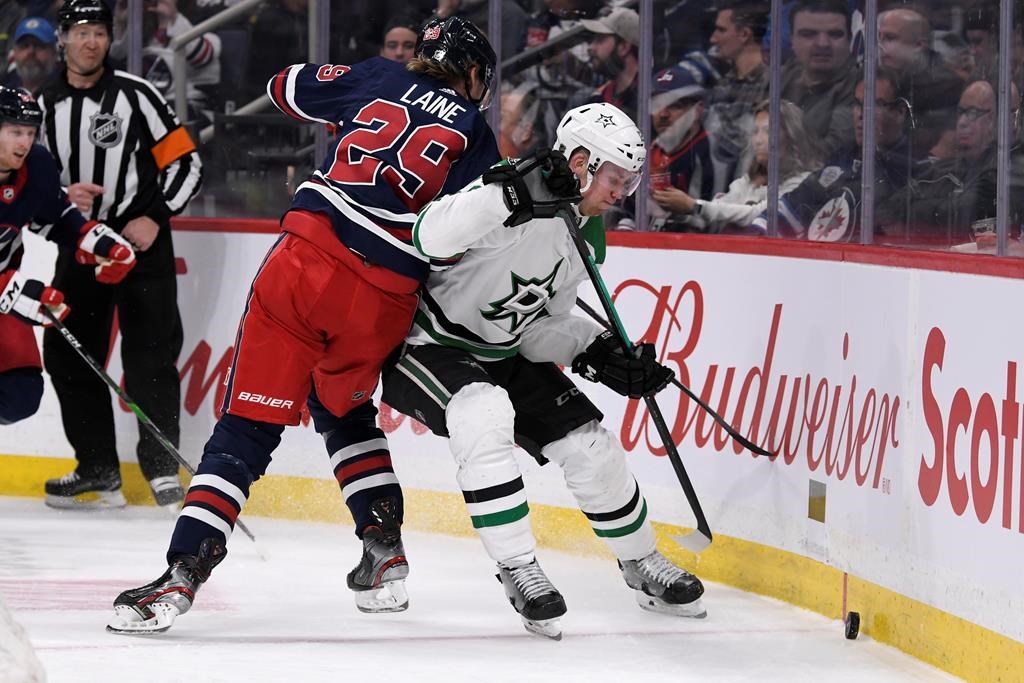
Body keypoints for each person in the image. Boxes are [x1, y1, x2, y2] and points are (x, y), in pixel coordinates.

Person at [106, 15, 501, 635]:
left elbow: (286, 85)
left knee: (246, 428)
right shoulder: (477, 133)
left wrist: (350, 98)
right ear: (473, 72)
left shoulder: (378, 75)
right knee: (343, 410)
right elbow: (469, 240)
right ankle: (382, 545)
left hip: (306, 264)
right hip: (387, 295)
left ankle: (184, 571)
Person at [380, 102, 706, 640]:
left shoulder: (588, 233)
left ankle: (640, 561)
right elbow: (429, 236)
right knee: (485, 416)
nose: (623, 193)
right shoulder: (506, 195)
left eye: (630, 181)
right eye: (615, 178)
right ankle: (518, 567)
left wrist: (598, 352)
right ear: (578, 161)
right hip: (426, 345)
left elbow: (539, 328)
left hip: (502, 350)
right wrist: (503, 196)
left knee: (588, 444)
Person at [37, 0, 203, 509]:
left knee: (150, 353)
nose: (91, 42)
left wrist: (156, 215)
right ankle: (98, 469)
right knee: (68, 353)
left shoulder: (138, 95)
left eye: (100, 33)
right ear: (62, 39)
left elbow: (187, 164)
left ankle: (160, 470)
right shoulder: (41, 107)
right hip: (81, 243)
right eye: (82, 32)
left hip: (143, 243)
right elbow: (27, 181)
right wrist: (63, 199)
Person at [0, 86, 135, 426]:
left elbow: (55, 217)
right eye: (15, 131)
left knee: (19, 394)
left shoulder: (37, 166)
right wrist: (12, 290)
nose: (24, 143)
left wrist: (96, 241)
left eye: (30, 132)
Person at [754, 68, 914, 241]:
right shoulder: (840, 160)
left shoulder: (914, 171)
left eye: (875, 105)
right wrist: (752, 239)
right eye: (858, 104)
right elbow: (789, 210)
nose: (862, 114)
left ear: (900, 112)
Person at [664, 99, 822, 233]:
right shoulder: (749, 180)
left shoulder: (803, 183)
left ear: (791, 135)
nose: (758, 140)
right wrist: (673, 208)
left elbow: (760, 215)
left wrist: (694, 206)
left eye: (768, 131)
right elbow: (719, 208)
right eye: (755, 131)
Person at [779, 0, 858, 161]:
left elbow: (832, 150)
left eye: (835, 34)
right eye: (809, 34)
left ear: (849, 40)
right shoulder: (779, 76)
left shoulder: (860, 86)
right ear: (792, 40)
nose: (823, 44)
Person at [705, 0, 769, 192]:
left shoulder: (773, 84)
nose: (713, 39)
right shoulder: (722, 84)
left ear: (744, 34)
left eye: (721, 30)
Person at [647, 64, 717, 232]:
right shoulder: (649, 150)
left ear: (697, 110)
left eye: (674, 105)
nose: (663, 114)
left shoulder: (712, 154)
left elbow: (711, 224)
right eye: (656, 105)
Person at [582, 7, 640, 122]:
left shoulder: (651, 94)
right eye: (592, 40)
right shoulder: (597, 99)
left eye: (600, 40)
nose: (591, 47)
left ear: (623, 47)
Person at [2, 17, 59, 94]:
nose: (30, 52)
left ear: (54, 53)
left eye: (39, 45)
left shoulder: (66, 94)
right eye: (24, 45)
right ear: (14, 52)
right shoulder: (6, 94)